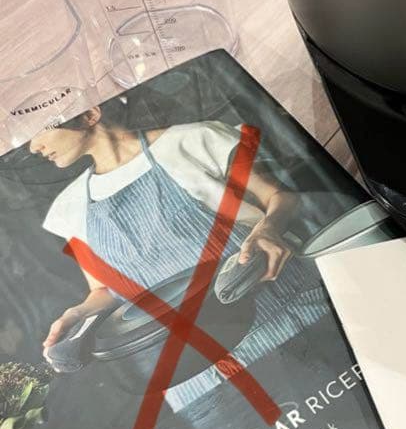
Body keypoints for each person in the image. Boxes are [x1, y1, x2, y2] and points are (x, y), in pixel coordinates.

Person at [29, 100, 331, 410]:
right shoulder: (69, 208)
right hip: (197, 376)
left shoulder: (192, 141)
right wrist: (79, 313)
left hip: (284, 320)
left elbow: (281, 197)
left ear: (89, 114)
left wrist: (269, 228)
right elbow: (104, 289)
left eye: (38, 130)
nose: (33, 147)